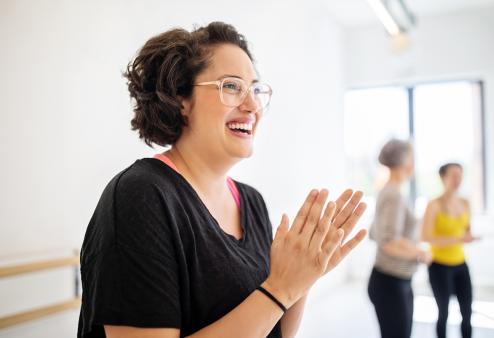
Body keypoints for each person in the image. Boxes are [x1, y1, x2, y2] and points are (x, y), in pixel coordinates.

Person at [77, 22, 368, 338]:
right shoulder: (141, 195)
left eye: (255, 89)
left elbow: (274, 331)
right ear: (181, 99)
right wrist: (281, 288)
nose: (252, 105)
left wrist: (302, 277)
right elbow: (273, 297)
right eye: (231, 86)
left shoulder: (251, 201)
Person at [368, 139, 431, 338]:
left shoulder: (387, 191)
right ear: (405, 162)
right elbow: (388, 241)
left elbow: (374, 233)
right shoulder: (393, 195)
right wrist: (421, 252)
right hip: (390, 283)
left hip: (394, 281)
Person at [422, 163, 479, 338]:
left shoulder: (466, 203)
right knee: (443, 313)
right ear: (443, 178)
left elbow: (466, 231)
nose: (458, 179)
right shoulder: (434, 205)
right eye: (453, 175)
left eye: (460, 175)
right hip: (439, 266)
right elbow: (425, 237)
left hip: (461, 264)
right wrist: (458, 239)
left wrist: (469, 237)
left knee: (467, 312)